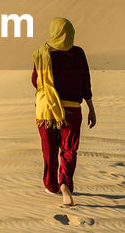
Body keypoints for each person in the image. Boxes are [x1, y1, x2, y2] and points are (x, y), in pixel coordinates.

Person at [31, 17, 96, 207]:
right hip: (72, 111)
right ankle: (65, 183)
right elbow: (86, 83)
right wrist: (91, 108)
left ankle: (51, 186)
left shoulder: (43, 53)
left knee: (49, 150)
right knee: (69, 150)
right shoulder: (78, 53)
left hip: (47, 110)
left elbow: (36, 81)